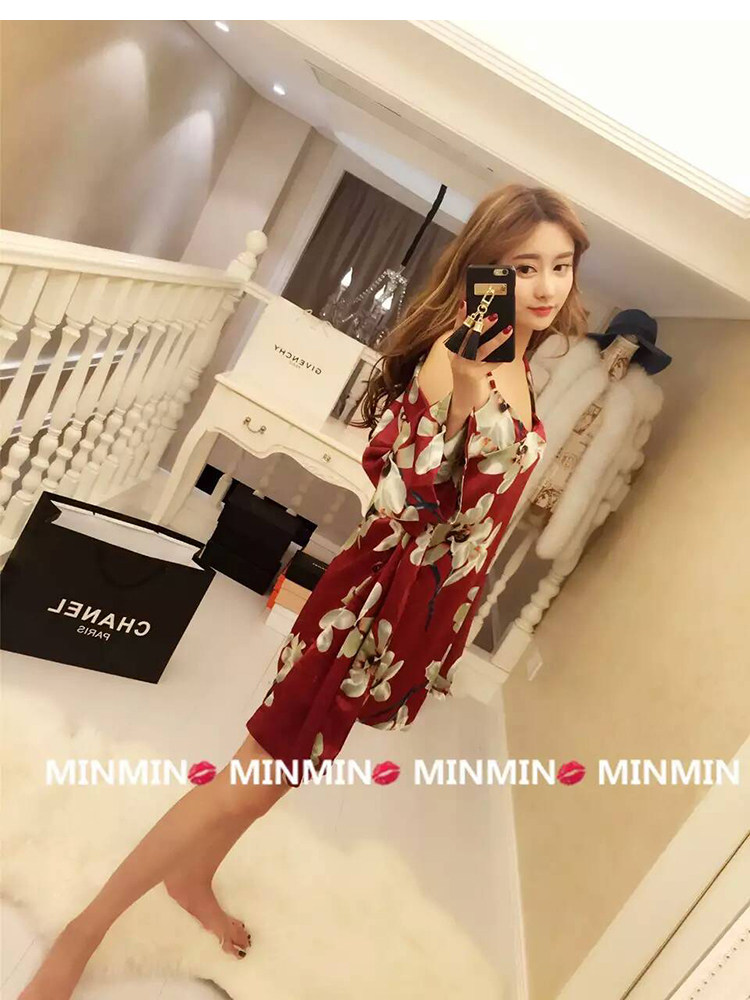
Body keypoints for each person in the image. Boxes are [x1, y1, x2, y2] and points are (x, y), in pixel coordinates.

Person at [19, 183, 590, 998]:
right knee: (252, 771)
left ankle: (191, 879)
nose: (545, 286)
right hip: (371, 604)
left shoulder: (522, 363)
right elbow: (414, 497)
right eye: (523, 267)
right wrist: (467, 386)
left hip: (414, 609)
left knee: (285, 768)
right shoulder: (456, 358)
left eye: (561, 266)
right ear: (484, 271)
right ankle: (85, 930)